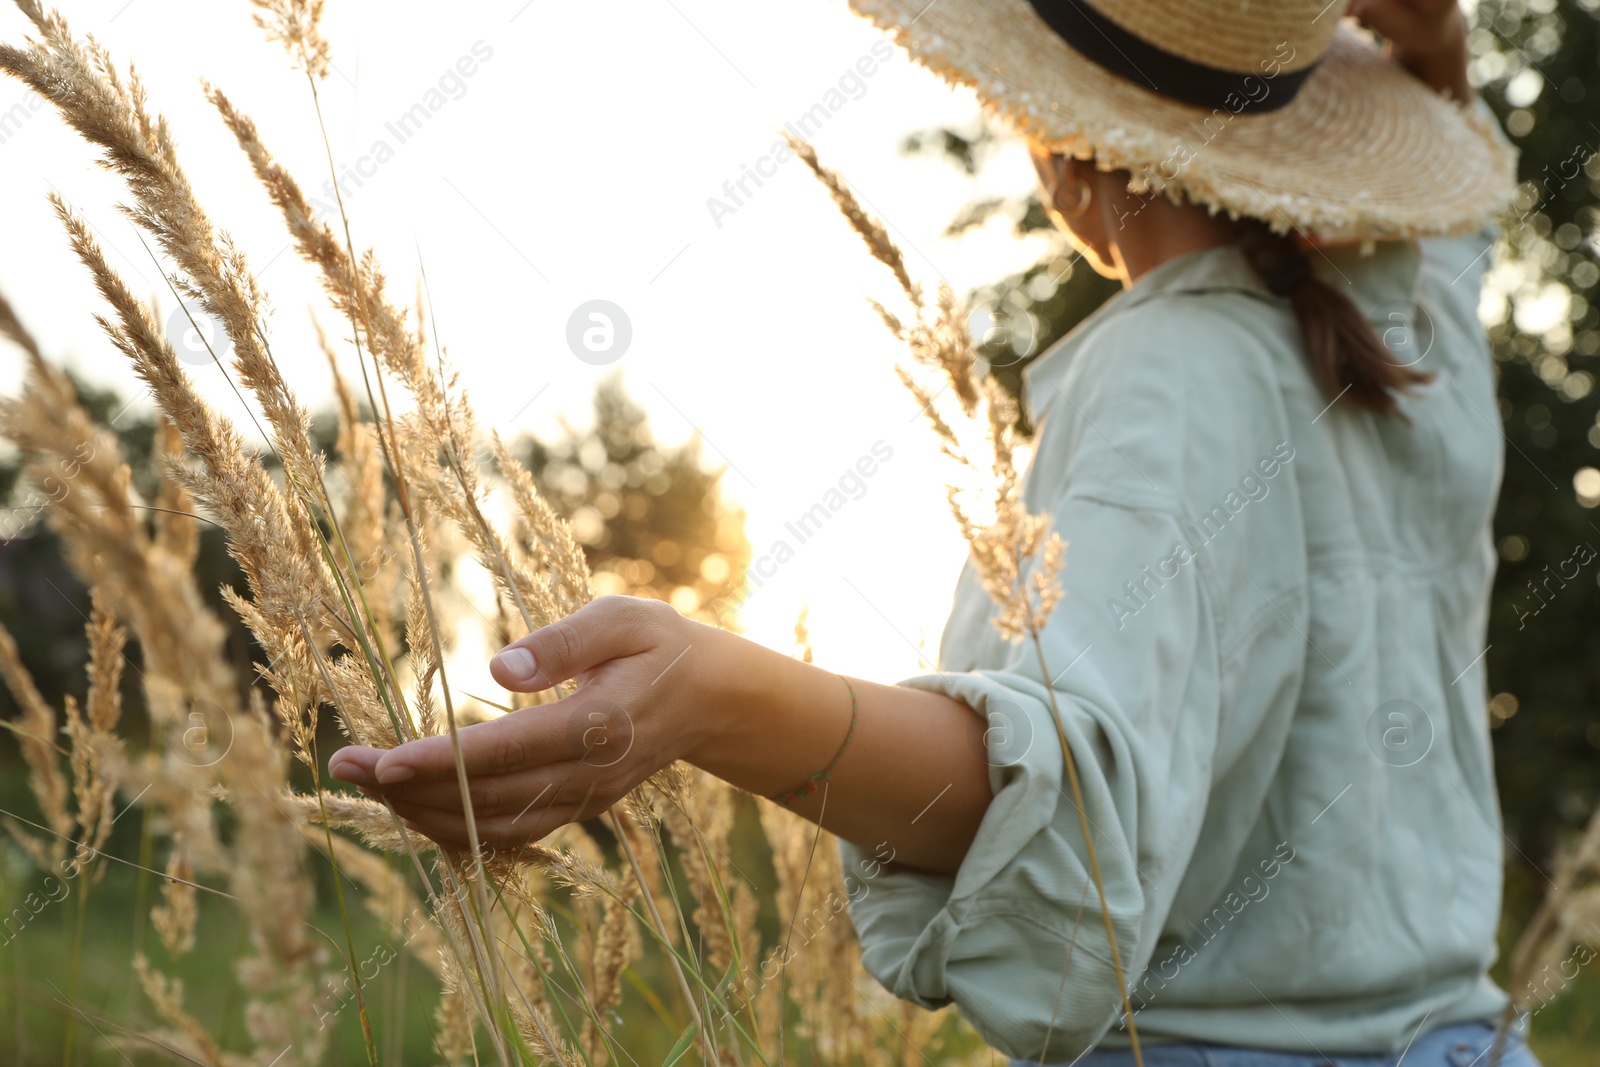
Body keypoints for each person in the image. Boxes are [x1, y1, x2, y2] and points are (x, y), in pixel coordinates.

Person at [329, 0, 1535, 1063]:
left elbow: (1066, 794)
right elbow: (1452, 222)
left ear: (1063, 155)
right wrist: (1435, 55)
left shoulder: (1168, 372)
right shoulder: (1408, 333)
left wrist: (714, 693)